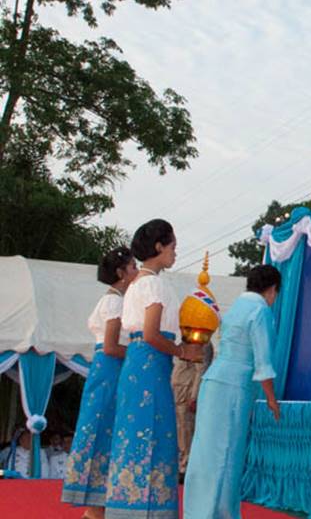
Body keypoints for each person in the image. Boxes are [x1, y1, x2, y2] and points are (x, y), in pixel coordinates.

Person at [104, 219, 203, 519]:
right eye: (173, 246)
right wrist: (183, 351)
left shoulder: (136, 284)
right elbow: (151, 334)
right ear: (159, 246)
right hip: (151, 366)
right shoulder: (154, 284)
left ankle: (126, 507)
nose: (175, 252)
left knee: (134, 435)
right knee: (154, 435)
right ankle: (148, 511)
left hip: (138, 365)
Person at [183, 264, 282, 519]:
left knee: (205, 451)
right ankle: (219, 514)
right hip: (234, 387)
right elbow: (263, 361)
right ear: (272, 290)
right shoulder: (260, 310)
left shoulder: (236, 307)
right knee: (227, 453)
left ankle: (197, 512)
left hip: (213, 380)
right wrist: (271, 399)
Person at [62, 246, 137, 516]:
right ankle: (96, 508)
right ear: (121, 272)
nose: (137, 271)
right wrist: (142, 352)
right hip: (111, 369)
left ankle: (98, 506)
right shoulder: (114, 302)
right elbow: (111, 346)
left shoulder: (113, 300)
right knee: (105, 430)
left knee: (102, 429)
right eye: (133, 267)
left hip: (106, 370)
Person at [171, 342, 213, 482]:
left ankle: (186, 466)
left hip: (187, 394)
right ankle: (181, 463)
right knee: (180, 430)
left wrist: (195, 396)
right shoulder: (184, 340)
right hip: (178, 391)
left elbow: (201, 370)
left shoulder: (201, 341)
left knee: (186, 429)